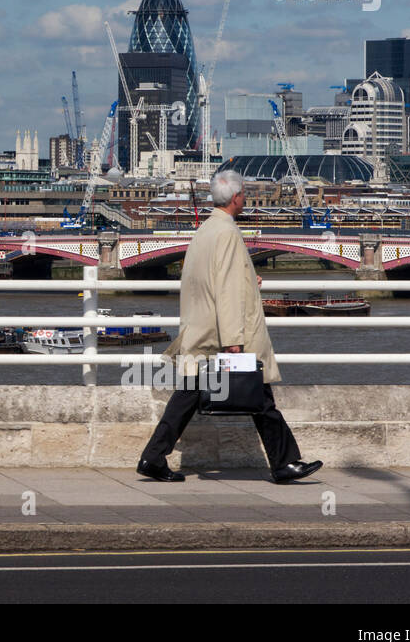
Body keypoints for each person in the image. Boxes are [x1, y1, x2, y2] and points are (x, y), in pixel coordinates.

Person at [136, 169, 323, 485]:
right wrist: (233, 340)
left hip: (202, 329)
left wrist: (249, 280)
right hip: (223, 333)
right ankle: (284, 463)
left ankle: (153, 458)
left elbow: (206, 280)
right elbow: (224, 288)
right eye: (245, 193)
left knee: (189, 396)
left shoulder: (206, 230)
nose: (245, 197)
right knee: (260, 398)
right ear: (237, 197)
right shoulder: (228, 233)